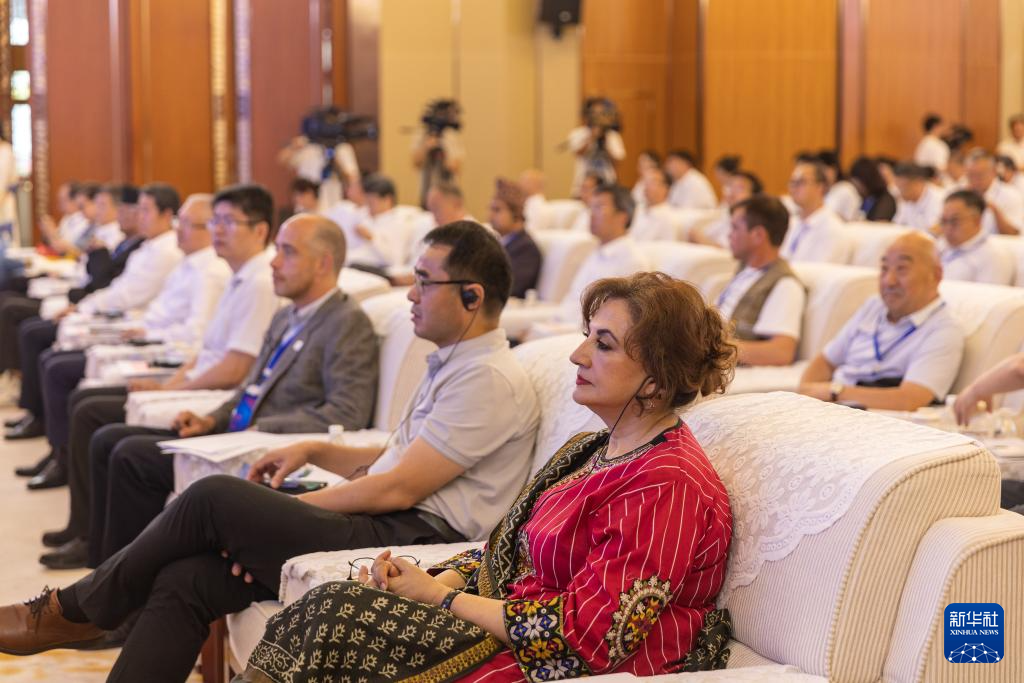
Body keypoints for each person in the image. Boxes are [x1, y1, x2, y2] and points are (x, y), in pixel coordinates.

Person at [0, 221, 540, 683]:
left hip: (415, 536)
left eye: (424, 282)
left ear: (472, 297)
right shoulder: (454, 363)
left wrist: (282, 513)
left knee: (213, 498)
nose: (411, 296)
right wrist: (313, 450)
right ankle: (81, 613)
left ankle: (74, 610)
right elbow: (399, 455)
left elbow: (400, 487)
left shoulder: (487, 379)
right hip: (390, 519)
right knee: (187, 579)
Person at [233, 271, 736, 682]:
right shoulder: (591, 448)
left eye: (603, 345)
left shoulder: (667, 483)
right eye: (587, 337)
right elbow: (507, 550)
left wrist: (442, 599)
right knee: (338, 604)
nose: (578, 355)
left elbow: (592, 636)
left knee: (335, 615)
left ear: (656, 379)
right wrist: (427, 582)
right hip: (511, 626)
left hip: (554, 661)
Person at [38, 185, 282, 566]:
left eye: (227, 222)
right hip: (194, 376)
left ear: (260, 230)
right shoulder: (236, 276)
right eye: (214, 222)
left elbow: (234, 368)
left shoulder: (257, 282)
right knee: (92, 413)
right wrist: (167, 385)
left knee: (98, 423)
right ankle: (89, 538)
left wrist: (170, 389)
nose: (217, 231)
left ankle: (101, 554)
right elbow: (206, 350)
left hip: (217, 395)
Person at [22, 195, 231, 503]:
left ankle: (64, 462)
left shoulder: (211, 272)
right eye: (181, 223)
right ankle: (59, 454)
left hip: (169, 351)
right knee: (59, 365)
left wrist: (163, 372)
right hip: (154, 337)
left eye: (189, 224)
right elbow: (140, 301)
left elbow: (195, 337)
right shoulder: (184, 261)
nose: (179, 230)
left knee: (72, 386)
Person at [4, 183, 183, 443]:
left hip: (137, 326)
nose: (138, 216)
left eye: (145, 210)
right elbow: (117, 287)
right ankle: (43, 427)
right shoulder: (150, 246)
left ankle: (54, 442)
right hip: (127, 318)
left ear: (167, 215)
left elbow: (125, 295)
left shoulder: (167, 252)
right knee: (44, 348)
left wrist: (83, 306)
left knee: (51, 358)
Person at [798, 232, 964, 411]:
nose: (889, 281)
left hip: (867, 415)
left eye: (902, 269)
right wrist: (806, 392)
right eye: (884, 269)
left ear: (936, 275)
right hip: (831, 406)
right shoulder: (874, 306)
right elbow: (826, 361)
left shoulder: (944, 330)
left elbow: (910, 399)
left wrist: (835, 392)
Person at [526, 184, 650, 339]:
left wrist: (544, 333)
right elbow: (573, 302)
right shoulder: (595, 253)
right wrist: (544, 326)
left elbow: (608, 324)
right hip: (562, 327)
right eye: (591, 207)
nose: (591, 215)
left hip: (581, 338)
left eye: (599, 207)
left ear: (622, 216)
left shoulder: (632, 261)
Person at [718, 196, 805, 366]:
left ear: (758, 235)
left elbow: (781, 352)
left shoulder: (785, 284)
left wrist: (714, 349)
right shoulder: (745, 270)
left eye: (735, 228)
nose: (729, 235)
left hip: (728, 368)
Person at [935, 190, 1014, 285]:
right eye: (943, 221)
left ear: (976, 220)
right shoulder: (941, 245)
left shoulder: (994, 256)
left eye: (954, 221)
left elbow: (990, 294)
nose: (947, 228)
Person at [346, 174, 419, 273]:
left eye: (371, 203)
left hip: (375, 269)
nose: (368, 207)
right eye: (367, 202)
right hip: (355, 262)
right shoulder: (367, 217)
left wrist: (371, 238)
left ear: (387, 200)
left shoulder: (400, 222)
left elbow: (396, 260)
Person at [781, 161, 850, 263]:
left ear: (820, 187)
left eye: (801, 182)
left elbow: (822, 270)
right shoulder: (793, 223)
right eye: (792, 182)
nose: (794, 187)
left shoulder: (833, 229)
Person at [489, 178, 541, 298]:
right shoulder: (497, 243)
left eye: (497, 210)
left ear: (516, 213)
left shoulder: (526, 248)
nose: (490, 215)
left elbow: (510, 288)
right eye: (490, 209)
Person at [690, 169, 763, 248]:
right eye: (730, 187)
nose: (732, 192)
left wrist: (697, 237)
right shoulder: (727, 213)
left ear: (754, 196)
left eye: (739, 188)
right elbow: (706, 233)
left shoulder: (750, 220)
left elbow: (726, 248)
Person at [412, 100, 464, 207]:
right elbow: (416, 163)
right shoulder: (423, 135)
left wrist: (445, 147)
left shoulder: (451, 136)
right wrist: (426, 147)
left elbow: (455, 167)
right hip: (426, 193)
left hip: (448, 195)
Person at [963, 148, 1024, 236]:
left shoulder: (1011, 195)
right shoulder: (960, 193)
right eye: (970, 175)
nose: (974, 180)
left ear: (994, 172)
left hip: (1000, 243)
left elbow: (1013, 234)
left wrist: (994, 210)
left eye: (980, 175)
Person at [629, 168, 679, 241]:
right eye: (645, 182)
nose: (646, 186)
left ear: (665, 188)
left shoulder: (669, 218)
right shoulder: (639, 208)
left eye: (652, 182)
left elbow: (669, 246)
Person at [892, 162, 944, 231]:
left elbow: (935, 231)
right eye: (898, 187)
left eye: (903, 188)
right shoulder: (906, 200)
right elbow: (897, 225)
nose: (900, 193)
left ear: (918, 182)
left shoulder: (939, 199)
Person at [849, 156, 897, 222]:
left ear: (865, 180)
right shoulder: (867, 197)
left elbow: (879, 223)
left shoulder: (885, 199)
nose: (856, 188)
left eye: (857, 183)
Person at [819, 150, 861, 221]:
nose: (821, 174)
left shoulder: (845, 189)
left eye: (824, 169)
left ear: (835, 170)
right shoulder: (824, 191)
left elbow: (830, 216)